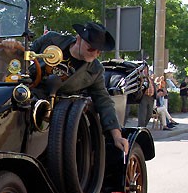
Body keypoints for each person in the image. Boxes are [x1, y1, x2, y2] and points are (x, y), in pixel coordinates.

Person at [27, 22, 128, 154]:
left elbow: (103, 101)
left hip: (55, 116)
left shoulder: (95, 70)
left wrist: (117, 136)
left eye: (99, 51)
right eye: (91, 49)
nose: (95, 54)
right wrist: (10, 48)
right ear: (79, 39)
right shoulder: (51, 39)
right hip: (27, 95)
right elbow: (24, 55)